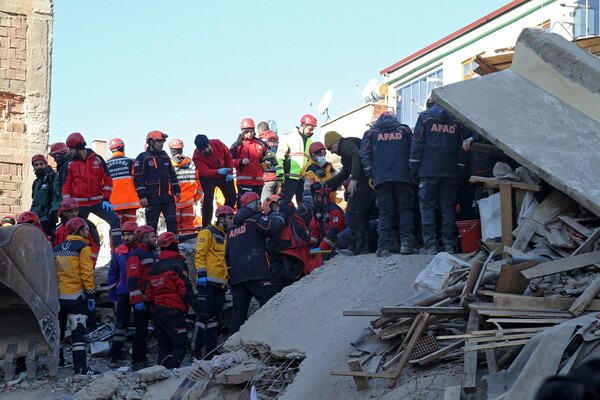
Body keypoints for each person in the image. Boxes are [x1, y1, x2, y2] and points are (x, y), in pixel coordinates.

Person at [410, 103, 469, 254]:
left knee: (427, 209)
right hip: (450, 174)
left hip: (427, 173)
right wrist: (459, 173)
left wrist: (414, 172)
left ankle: (430, 246)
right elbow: (462, 150)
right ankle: (449, 245)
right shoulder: (457, 122)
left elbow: (417, 145)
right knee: (448, 209)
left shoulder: (425, 118)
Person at [226, 192, 286, 333]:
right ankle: (270, 335)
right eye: (259, 203)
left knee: (238, 313)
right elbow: (272, 228)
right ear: (253, 205)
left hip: (237, 276)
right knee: (269, 305)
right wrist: (281, 216)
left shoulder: (231, 229)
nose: (261, 207)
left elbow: (227, 254)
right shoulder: (254, 219)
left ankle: (231, 346)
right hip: (257, 272)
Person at [360, 112, 415, 256]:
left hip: (381, 178)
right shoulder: (404, 130)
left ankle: (383, 247)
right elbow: (414, 151)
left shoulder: (371, 133)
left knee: (384, 212)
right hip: (403, 177)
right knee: (405, 210)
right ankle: (406, 245)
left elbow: (364, 155)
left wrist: (370, 176)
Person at [146, 232, 203, 369]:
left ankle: (159, 373)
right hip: (173, 311)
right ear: (173, 245)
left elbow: (149, 295)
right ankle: (170, 372)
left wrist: (152, 312)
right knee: (180, 345)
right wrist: (199, 310)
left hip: (158, 312)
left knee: (164, 346)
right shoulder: (178, 265)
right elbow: (185, 289)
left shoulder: (154, 269)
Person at [53, 217, 101, 375]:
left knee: (58, 331)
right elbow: (86, 273)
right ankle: (81, 367)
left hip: (58, 298)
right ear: (79, 230)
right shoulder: (83, 248)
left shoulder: (57, 248)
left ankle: (58, 362)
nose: (88, 232)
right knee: (77, 331)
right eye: (86, 229)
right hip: (75, 298)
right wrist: (91, 295)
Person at [63, 132, 121, 249]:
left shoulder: (97, 159)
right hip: (79, 205)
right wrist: (68, 205)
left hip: (99, 202)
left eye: (71, 149)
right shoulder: (70, 164)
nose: (69, 152)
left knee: (115, 220)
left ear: (78, 148)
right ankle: (79, 255)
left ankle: (118, 252)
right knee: (79, 229)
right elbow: (66, 186)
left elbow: (108, 180)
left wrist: (106, 199)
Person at [192, 205, 234, 359]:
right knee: (203, 317)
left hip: (220, 284)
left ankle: (211, 351)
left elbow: (223, 260)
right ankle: (195, 351)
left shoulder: (224, 236)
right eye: (230, 218)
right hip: (207, 282)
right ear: (221, 218)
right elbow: (200, 254)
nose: (232, 221)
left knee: (214, 319)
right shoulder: (207, 232)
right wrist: (201, 274)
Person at [323, 130, 373, 256]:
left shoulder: (346, 143)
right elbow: (345, 173)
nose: (331, 152)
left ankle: (354, 247)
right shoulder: (345, 155)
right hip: (367, 182)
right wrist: (327, 184)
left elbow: (356, 155)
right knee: (362, 215)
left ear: (336, 142)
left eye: (330, 148)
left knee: (353, 214)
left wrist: (354, 179)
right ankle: (363, 247)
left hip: (362, 182)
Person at [134, 131, 181, 234]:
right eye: (159, 141)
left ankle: (173, 247)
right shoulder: (143, 157)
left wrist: (177, 190)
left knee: (172, 224)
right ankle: (151, 249)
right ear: (150, 142)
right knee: (151, 228)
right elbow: (138, 177)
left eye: (163, 142)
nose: (161, 144)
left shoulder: (164, 156)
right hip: (152, 199)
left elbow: (172, 174)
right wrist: (142, 196)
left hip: (168, 198)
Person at [126, 225, 158, 370]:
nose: (155, 238)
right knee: (141, 330)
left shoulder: (154, 253)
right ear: (144, 238)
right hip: (142, 300)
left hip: (154, 299)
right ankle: (138, 360)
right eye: (152, 236)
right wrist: (138, 300)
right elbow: (133, 279)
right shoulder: (136, 255)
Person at [107, 220, 138, 368]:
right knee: (120, 324)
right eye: (124, 234)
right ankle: (115, 356)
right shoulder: (118, 251)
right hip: (123, 292)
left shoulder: (141, 250)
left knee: (140, 324)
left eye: (129, 234)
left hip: (139, 292)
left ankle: (139, 357)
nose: (126, 237)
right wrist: (112, 295)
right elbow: (113, 274)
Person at [192, 134, 237, 227]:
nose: (206, 151)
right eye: (203, 150)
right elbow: (204, 171)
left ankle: (224, 219)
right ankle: (206, 225)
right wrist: (218, 171)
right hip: (208, 178)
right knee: (208, 199)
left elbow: (228, 156)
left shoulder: (217, 143)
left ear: (209, 143)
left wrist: (229, 172)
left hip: (224, 174)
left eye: (207, 147)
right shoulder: (197, 155)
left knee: (232, 197)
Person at [276, 114, 317, 203]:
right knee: (285, 203)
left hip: (303, 179)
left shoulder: (311, 142)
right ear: (303, 125)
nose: (311, 132)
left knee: (304, 205)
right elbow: (279, 156)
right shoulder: (288, 137)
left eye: (313, 129)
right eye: (310, 129)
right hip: (288, 178)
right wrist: (279, 172)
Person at [230, 118, 270, 201]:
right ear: (242, 132)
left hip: (258, 181)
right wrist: (240, 162)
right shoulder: (237, 145)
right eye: (246, 132)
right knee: (244, 203)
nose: (249, 134)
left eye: (251, 131)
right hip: (244, 181)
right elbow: (230, 161)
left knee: (257, 203)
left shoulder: (261, 143)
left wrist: (268, 163)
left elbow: (270, 156)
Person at [53, 198, 101, 265]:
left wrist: (91, 263)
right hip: (63, 266)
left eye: (76, 210)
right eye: (71, 211)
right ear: (64, 212)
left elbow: (95, 244)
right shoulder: (58, 228)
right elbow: (55, 248)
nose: (74, 214)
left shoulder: (87, 225)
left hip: (83, 263)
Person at [169, 138, 202, 233]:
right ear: (181, 149)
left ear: (171, 150)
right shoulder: (191, 163)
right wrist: (197, 196)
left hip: (174, 202)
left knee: (174, 228)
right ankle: (189, 246)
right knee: (188, 227)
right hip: (189, 202)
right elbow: (199, 182)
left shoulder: (168, 164)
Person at [106, 138, 141, 224]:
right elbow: (138, 180)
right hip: (131, 202)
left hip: (113, 203)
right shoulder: (131, 161)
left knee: (116, 227)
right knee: (130, 227)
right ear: (123, 148)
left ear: (111, 150)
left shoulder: (105, 165)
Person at [309, 183, 345, 254]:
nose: (317, 200)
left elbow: (333, 232)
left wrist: (321, 248)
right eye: (315, 198)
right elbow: (314, 231)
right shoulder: (317, 212)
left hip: (336, 247)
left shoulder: (334, 211)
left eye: (318, 197)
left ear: (324, 196)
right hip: (325, 247)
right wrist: (310, 245)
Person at [30, 154, 60, 236]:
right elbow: (34, 201)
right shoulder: (36, 182)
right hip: (36, 218)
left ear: (45, 164)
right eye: (36, 165)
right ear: (33, 167)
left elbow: (57, 197)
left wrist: (53, 213)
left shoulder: (52, 177)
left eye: (41, 164)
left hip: (47, 218)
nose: (39, 166)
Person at [257, 120, 280, 203]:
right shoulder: (278, 142)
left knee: (266, 204)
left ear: (259, 131)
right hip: (278, 177)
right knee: (275, 204)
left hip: (267, 177)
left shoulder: (261, 143)